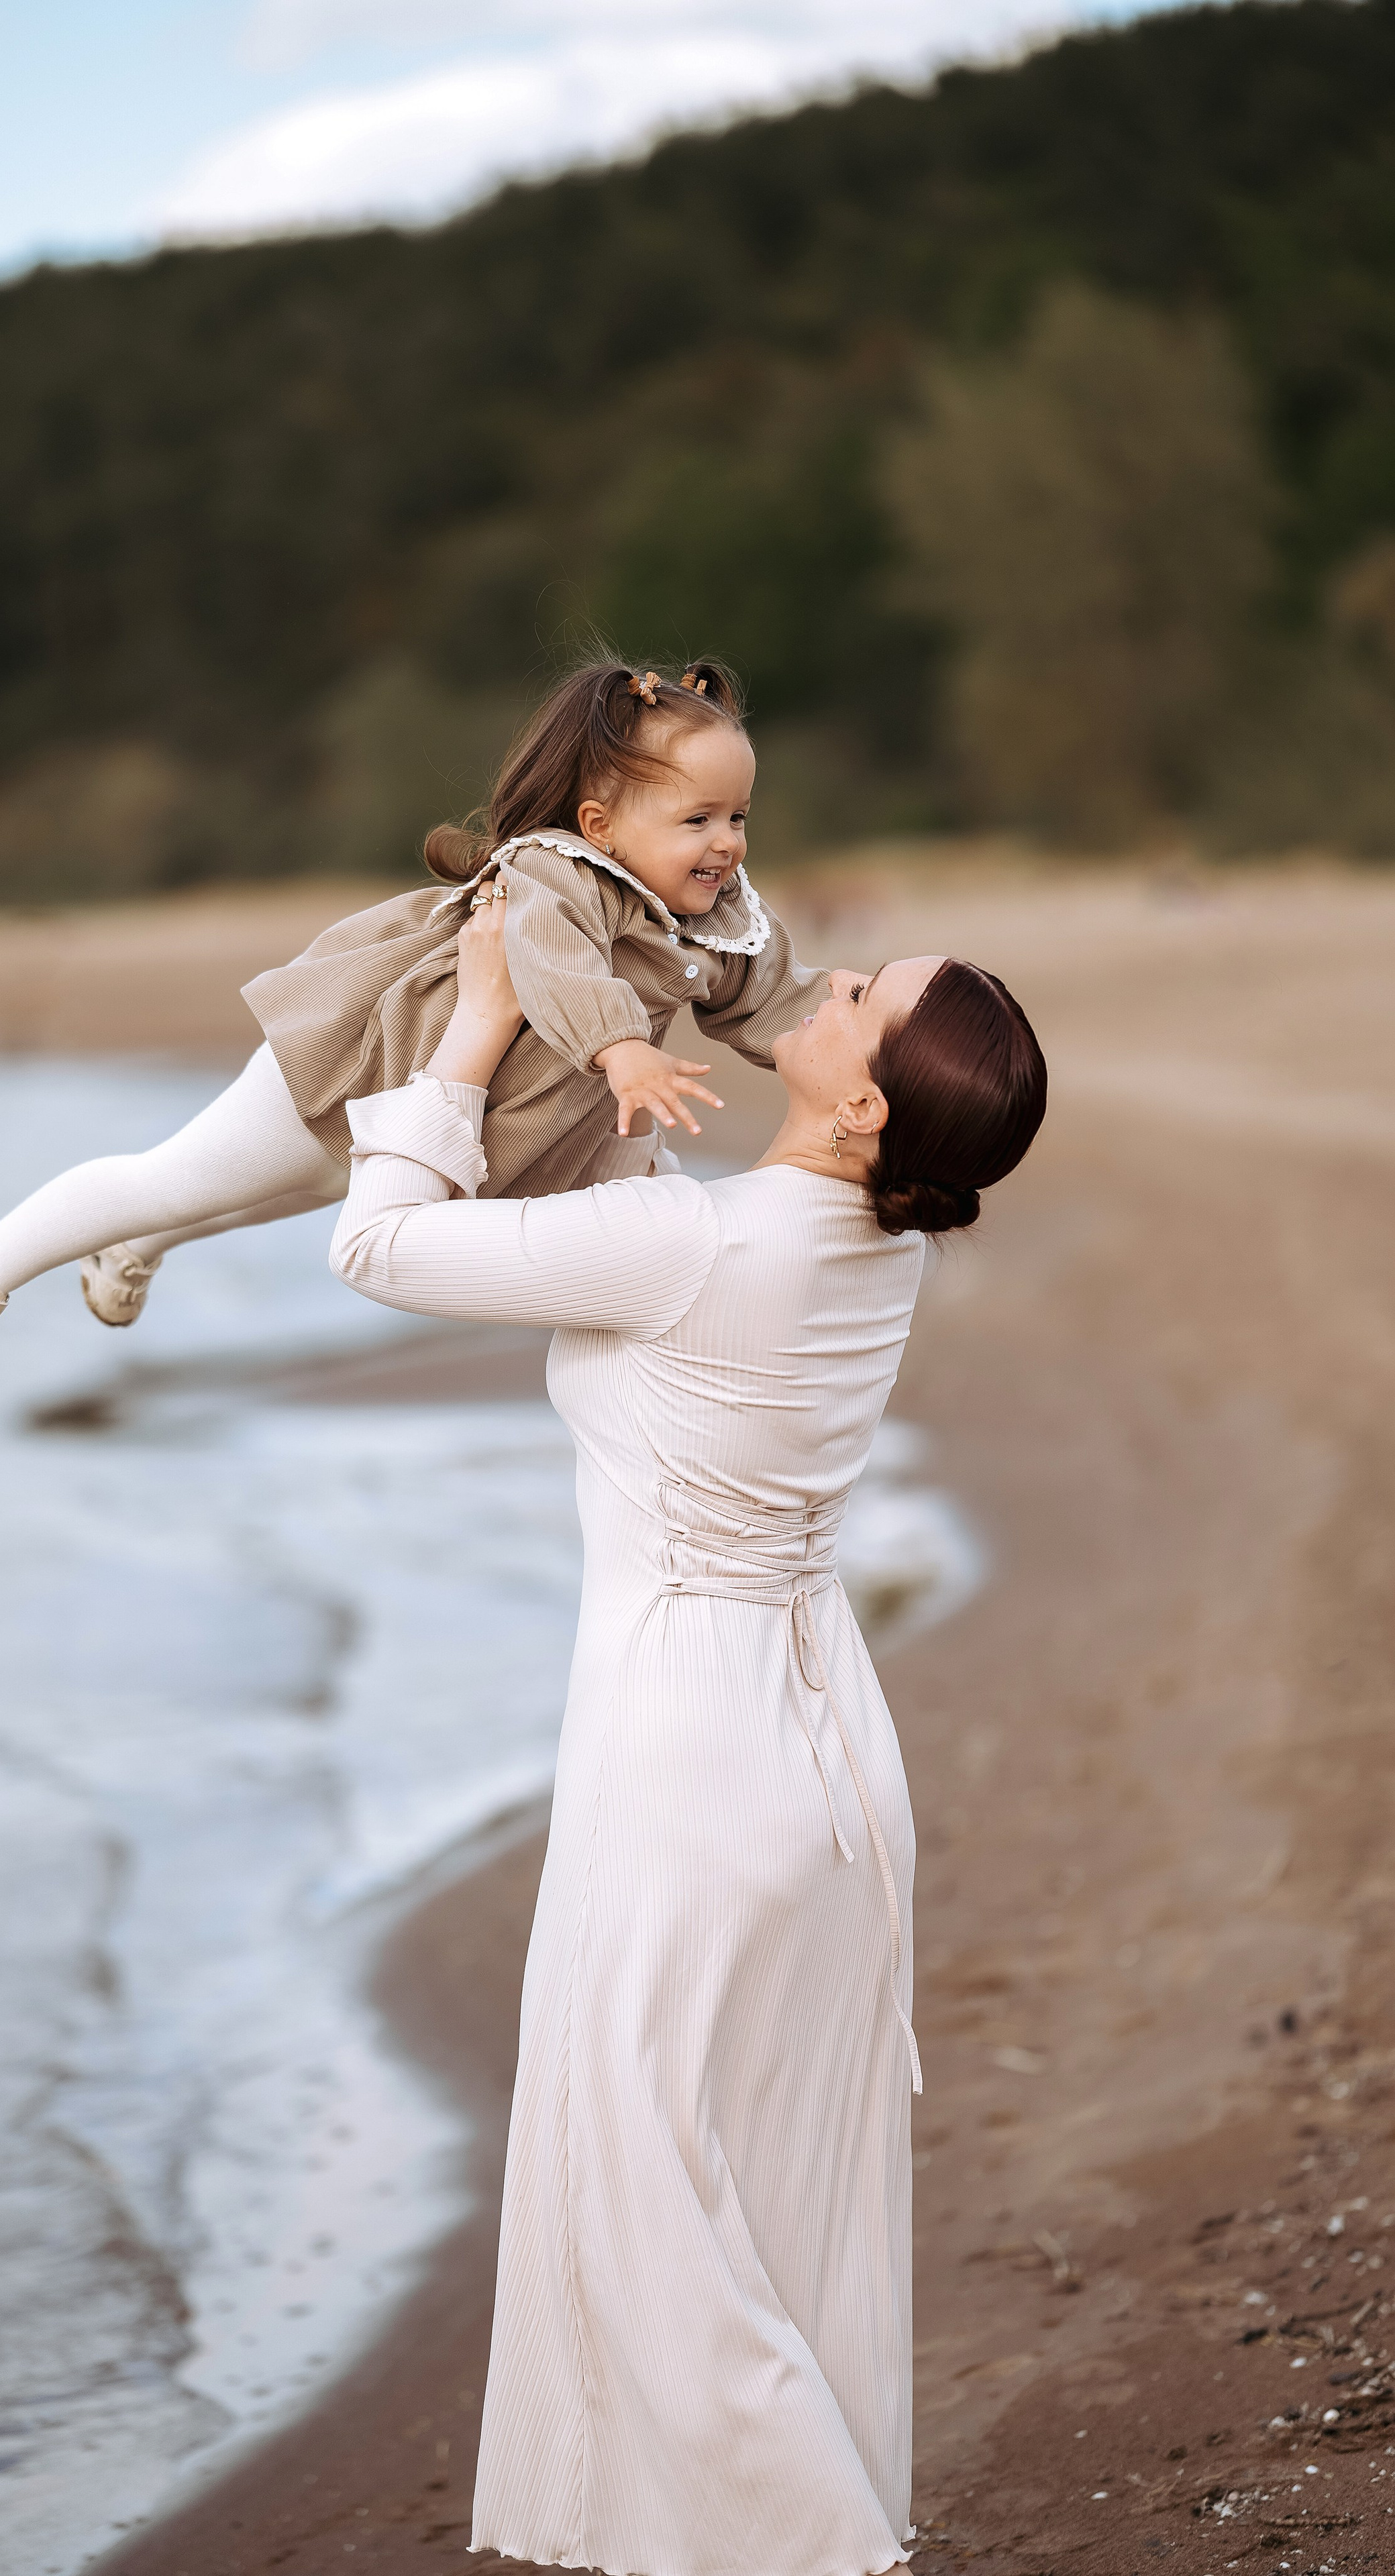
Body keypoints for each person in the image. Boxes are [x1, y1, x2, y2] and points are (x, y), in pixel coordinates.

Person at [327, 901, 1046, 2575]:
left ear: (863, 1105)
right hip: (822, 1770)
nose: (831, 980)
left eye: (860, 996)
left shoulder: (704, 1248)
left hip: (689, 1760)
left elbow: (375, 1249)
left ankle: (821, 2551)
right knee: (783, 2207)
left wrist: (474, 1021)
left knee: (647, 2199)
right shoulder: (865, 1243)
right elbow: (642, 1194)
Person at [0, 657, 830, 1399]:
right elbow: (553, 960)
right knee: (179, 1176)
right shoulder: (557, 873)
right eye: (699, 818)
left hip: (445, 1117)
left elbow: (765, 991)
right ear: (601, 824)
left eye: (740, 817)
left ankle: (140, 1245)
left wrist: (831, 1018)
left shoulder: (712, 912)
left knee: (276, 1194)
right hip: (372, 1063)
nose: (728, 842)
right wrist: (622, 1047)